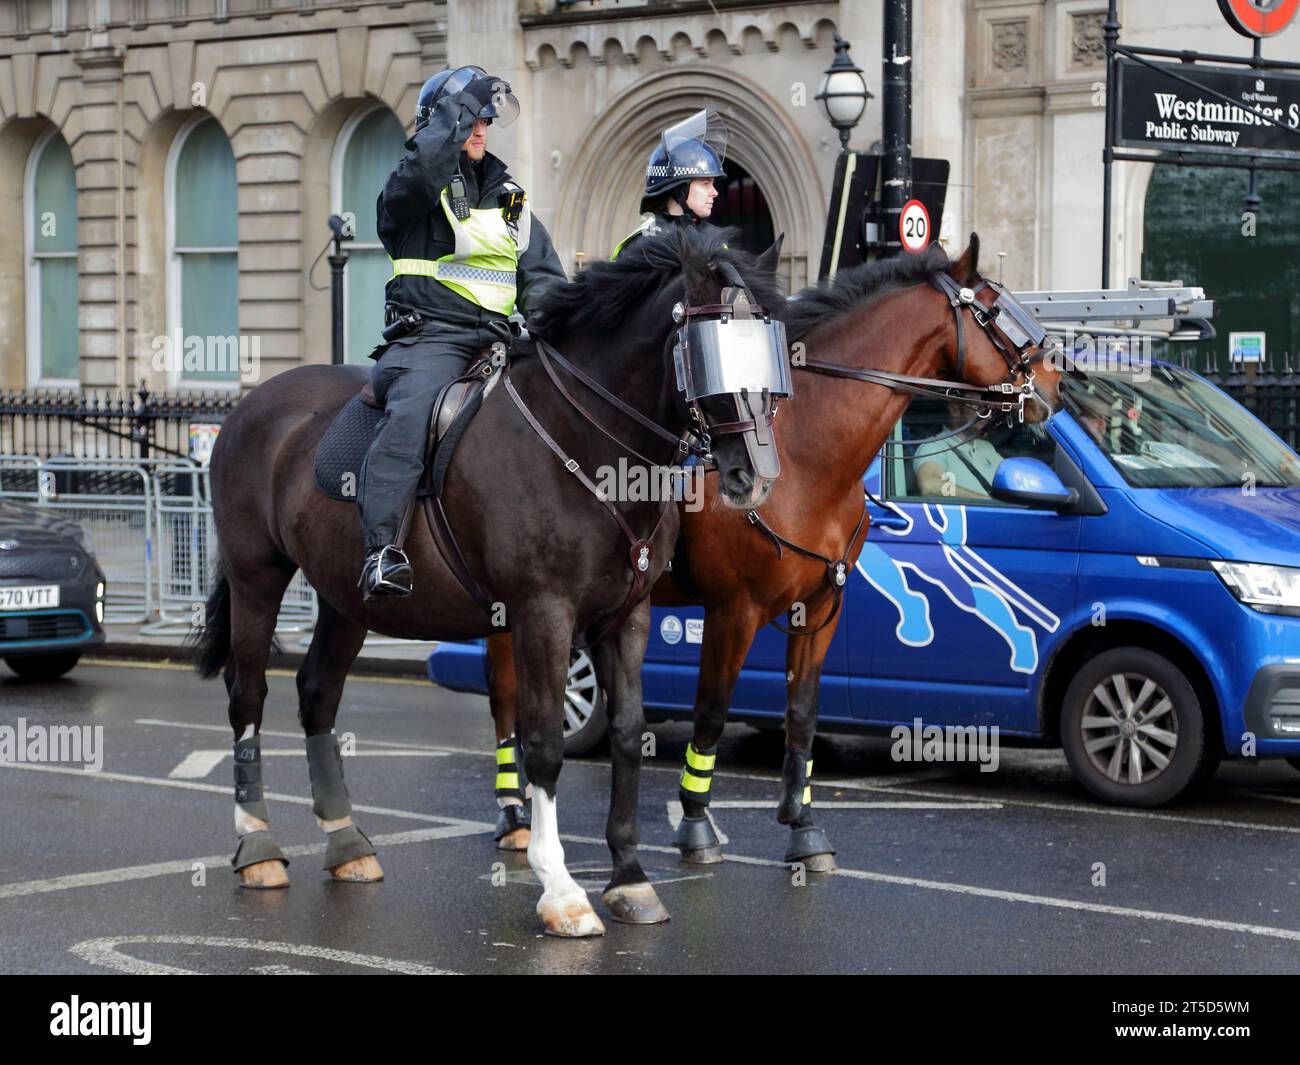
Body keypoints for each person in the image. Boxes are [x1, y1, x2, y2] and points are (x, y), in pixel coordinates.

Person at [358, 65, 566, 598]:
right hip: (429, 339)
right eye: (469, 120)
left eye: (485, 122)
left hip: (501, 340)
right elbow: (423, 171)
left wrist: (553, 328)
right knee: (411, 415)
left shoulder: (511, 195)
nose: (480, 130)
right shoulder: (413, 189)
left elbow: (538, 271)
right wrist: (447, 123)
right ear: (441, 124)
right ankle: (382, 549)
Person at [611, 109, 727, 259]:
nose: (715, 192)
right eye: (705, 184)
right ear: (679, 188)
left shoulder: (714, 240)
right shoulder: (642, 245)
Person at [914, 401, 1006, 499]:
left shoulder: (987, 447)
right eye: (980, 408)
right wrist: (988, 502)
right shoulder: (934, 447)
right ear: (955, 410)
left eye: (989, 409)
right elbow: (931, 486)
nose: (988, 415)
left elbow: (1011, 480)